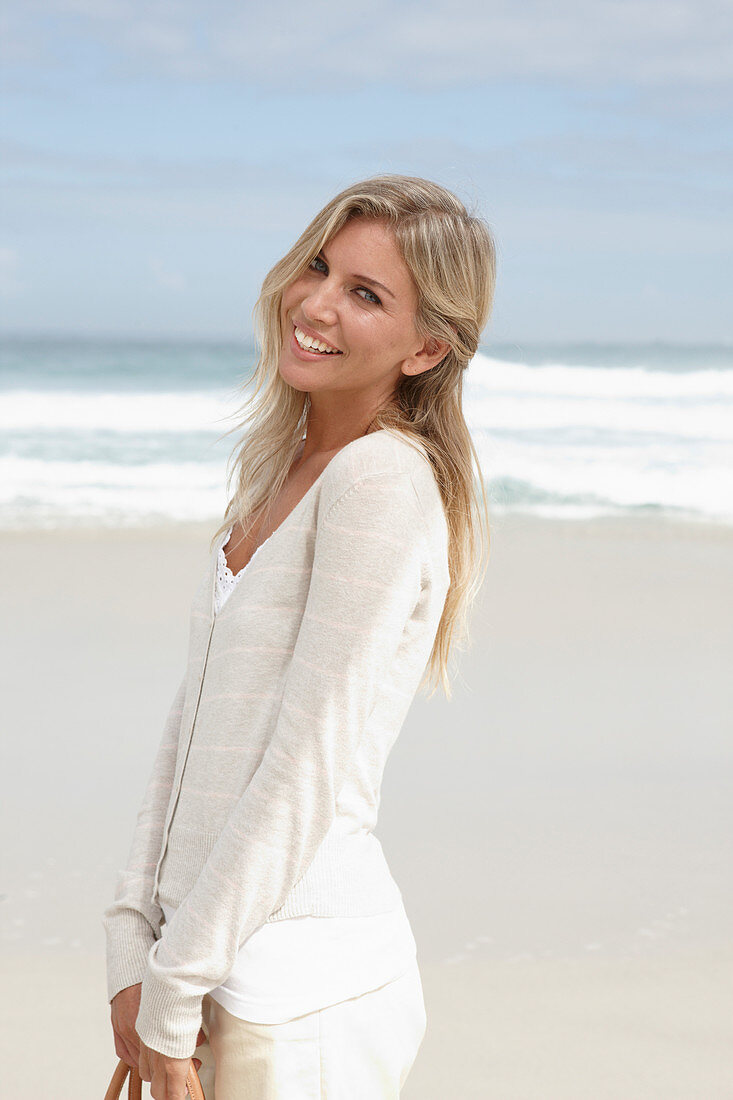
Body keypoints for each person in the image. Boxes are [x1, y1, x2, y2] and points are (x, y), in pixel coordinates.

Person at [102, 173, 496, 1100]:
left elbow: (304, 768)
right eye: (318, 266)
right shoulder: (280, 471)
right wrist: (132, 941)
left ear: (427, 346)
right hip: (203, 976)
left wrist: (173, 984)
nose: (316, 304)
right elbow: (192, 729)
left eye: (366, 295)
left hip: (296, 998)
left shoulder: (378, 483)